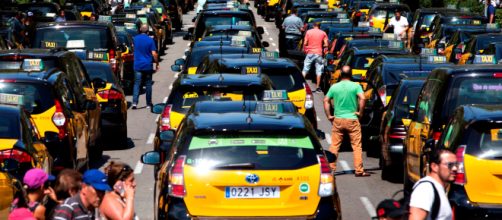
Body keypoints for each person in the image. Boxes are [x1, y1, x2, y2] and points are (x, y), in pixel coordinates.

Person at [323, 65, 370, 177]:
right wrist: (360, 112)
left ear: (340, 74)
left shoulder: (334, 87)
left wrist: (329, 115)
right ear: (351, 74)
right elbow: (363, 98)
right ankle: (359, 170)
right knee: (356, 145)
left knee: (335, 145)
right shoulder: (355, 86)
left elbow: (326, 100)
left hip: (338, 119)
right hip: (352, 119)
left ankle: (332, 169)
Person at [408, 148, 458, 220]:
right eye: (450, 165)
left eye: (456, 164)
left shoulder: (438, 188)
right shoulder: (425, 189)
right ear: (434, 167)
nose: (455, 168)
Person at [132, 24, 158, 109]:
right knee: (148, 84)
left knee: (137, 84)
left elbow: (133, 49)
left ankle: (135, 103)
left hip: (138, 65)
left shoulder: (135, 39)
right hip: (147, 65)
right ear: (148, 31)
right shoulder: (150, 40)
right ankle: (148, 103)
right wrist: (157, 63)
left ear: (140, 29)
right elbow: (154, 53)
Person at [302, 22, 328, 92]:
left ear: (313, 26)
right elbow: (326, 44)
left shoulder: (308, 32)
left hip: (310, 53)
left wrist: (306, 49)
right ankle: (317, 87)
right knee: (319, 70)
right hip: (318, 53)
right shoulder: (323, 33)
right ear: (320, 26)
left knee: (305, 69)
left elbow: (305, 43)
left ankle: (301, 85)